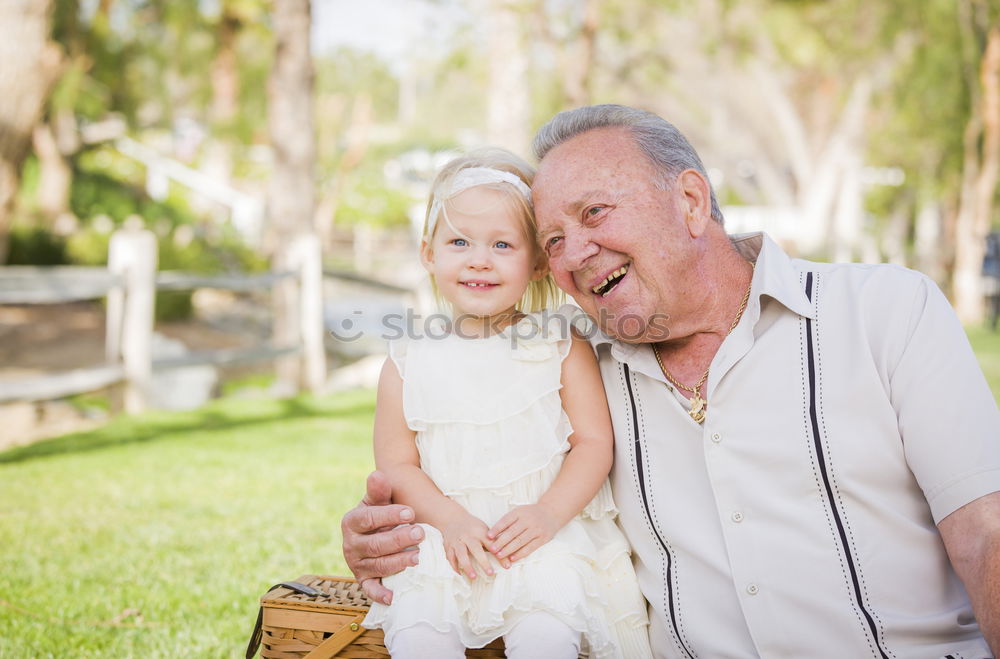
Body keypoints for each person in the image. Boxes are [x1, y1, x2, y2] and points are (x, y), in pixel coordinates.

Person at [343, 105, 1000, 658]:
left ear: (689, 200)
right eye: (554, 240)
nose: (572, 257)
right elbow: (448, 451)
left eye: (594, 213)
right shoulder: (569, 363)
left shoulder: (885, 310)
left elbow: (986, 534)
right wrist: (381, 534)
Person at [359, 147, 653, 659]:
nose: (479, 259)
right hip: (447, 539)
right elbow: (398, 465)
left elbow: (593, 443)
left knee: (546, 633)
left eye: (502, 244)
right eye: (459, 242)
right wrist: (448, 521)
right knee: (420, 635)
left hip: (543, 537)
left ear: (538, 262)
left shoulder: (558, 344)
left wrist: (546, 514)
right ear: (429, 253)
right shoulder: (407, 359)